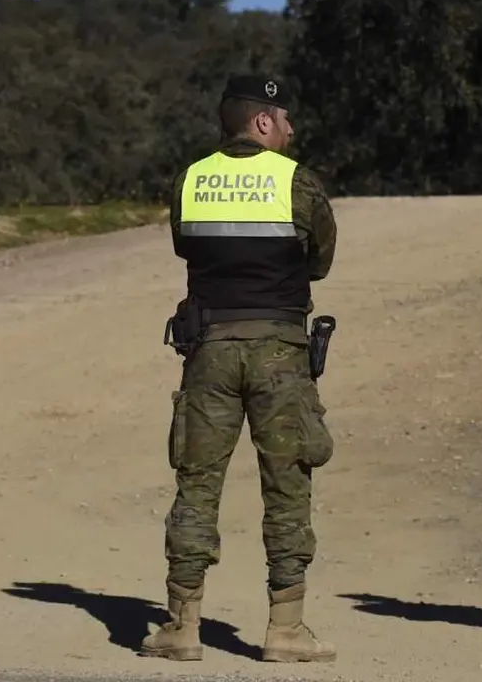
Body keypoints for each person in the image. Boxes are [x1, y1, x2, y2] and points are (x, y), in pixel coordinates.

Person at [141, 75, 338, 664]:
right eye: (284, 119)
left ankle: (180, 625)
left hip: (210, 352)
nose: (291, 129)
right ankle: (285, 629)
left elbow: (185, 246)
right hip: (280, 351)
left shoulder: (190, 180)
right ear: (260, 123)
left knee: (197, 484)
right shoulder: (297, 182)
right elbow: (321, 260)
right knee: (287, 484)